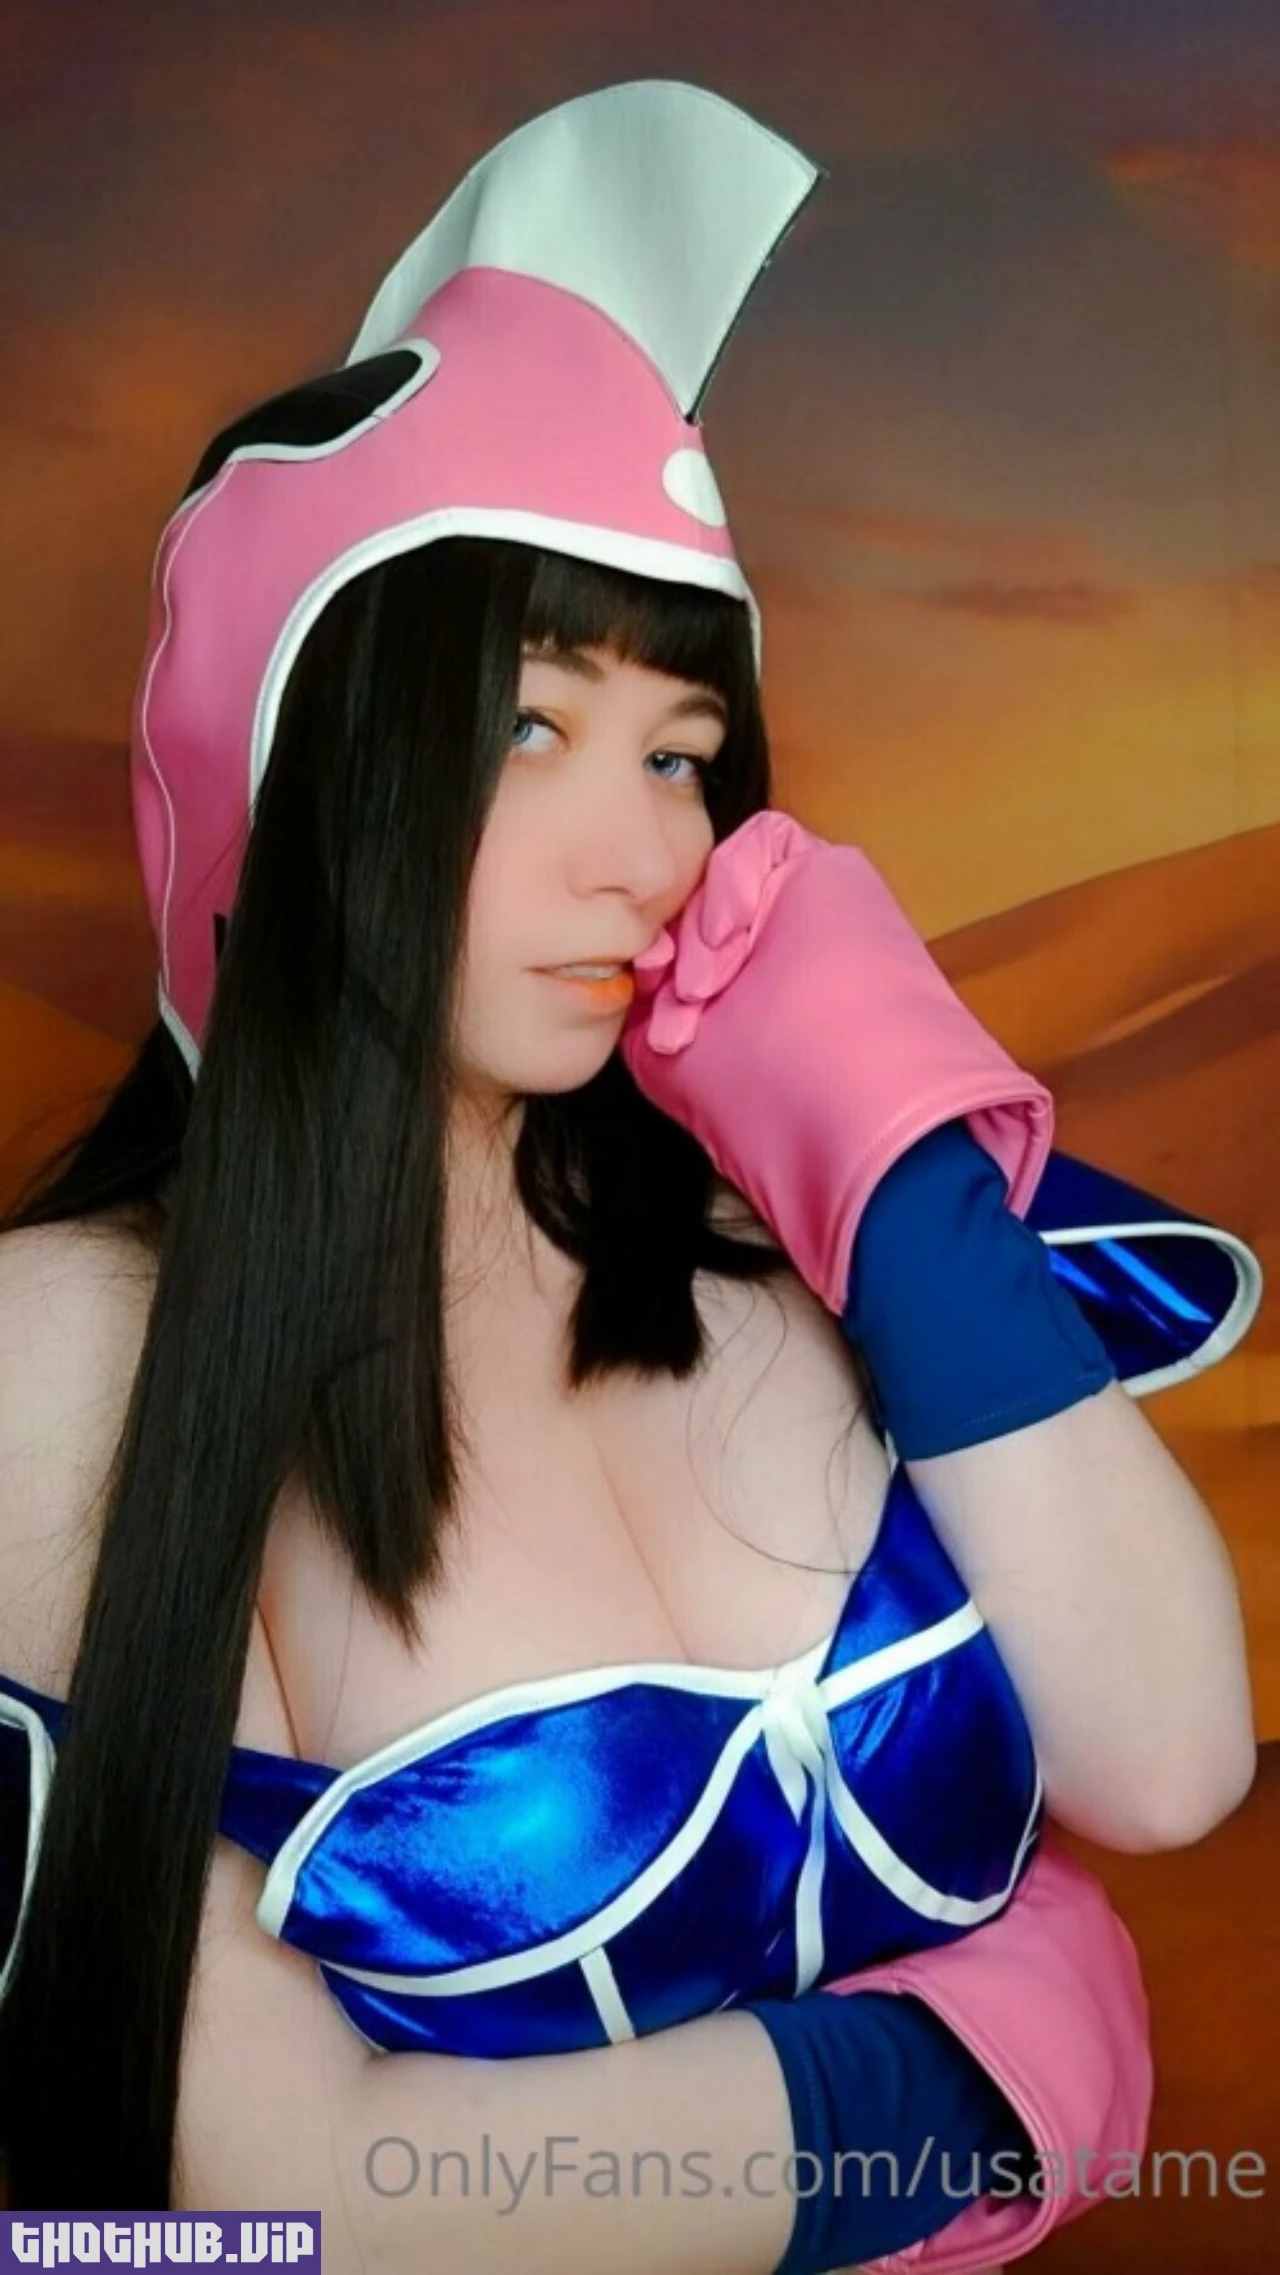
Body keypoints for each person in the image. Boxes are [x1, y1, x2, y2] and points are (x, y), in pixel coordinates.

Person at [0, 80, 1259, 2274]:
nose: (648, 851)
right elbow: (289, 2204)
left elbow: (1164, 1766)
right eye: (527, 728)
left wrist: (895, 1161)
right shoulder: (81, 1354)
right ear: (290, 768)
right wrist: (960, 2084)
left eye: (683, 752)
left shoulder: (786, 1242)